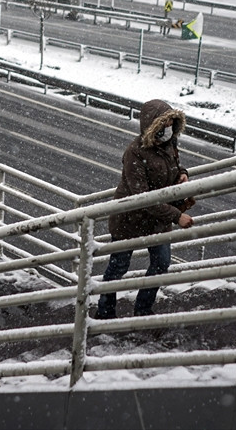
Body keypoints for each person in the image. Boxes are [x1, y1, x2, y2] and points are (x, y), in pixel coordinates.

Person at [95, 99, 195, 319]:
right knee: (118, 267)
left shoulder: (169, 143)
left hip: (157, 219)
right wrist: (177, 216)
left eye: (172, 121)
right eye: (165, 122)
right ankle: (104, 312)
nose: (169, 127)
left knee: (162, 263)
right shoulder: (134, 153)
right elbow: (143, 198)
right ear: (153, 125)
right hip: (129, 219)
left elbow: (173, 167)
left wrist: (182, 173)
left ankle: (143, 309)